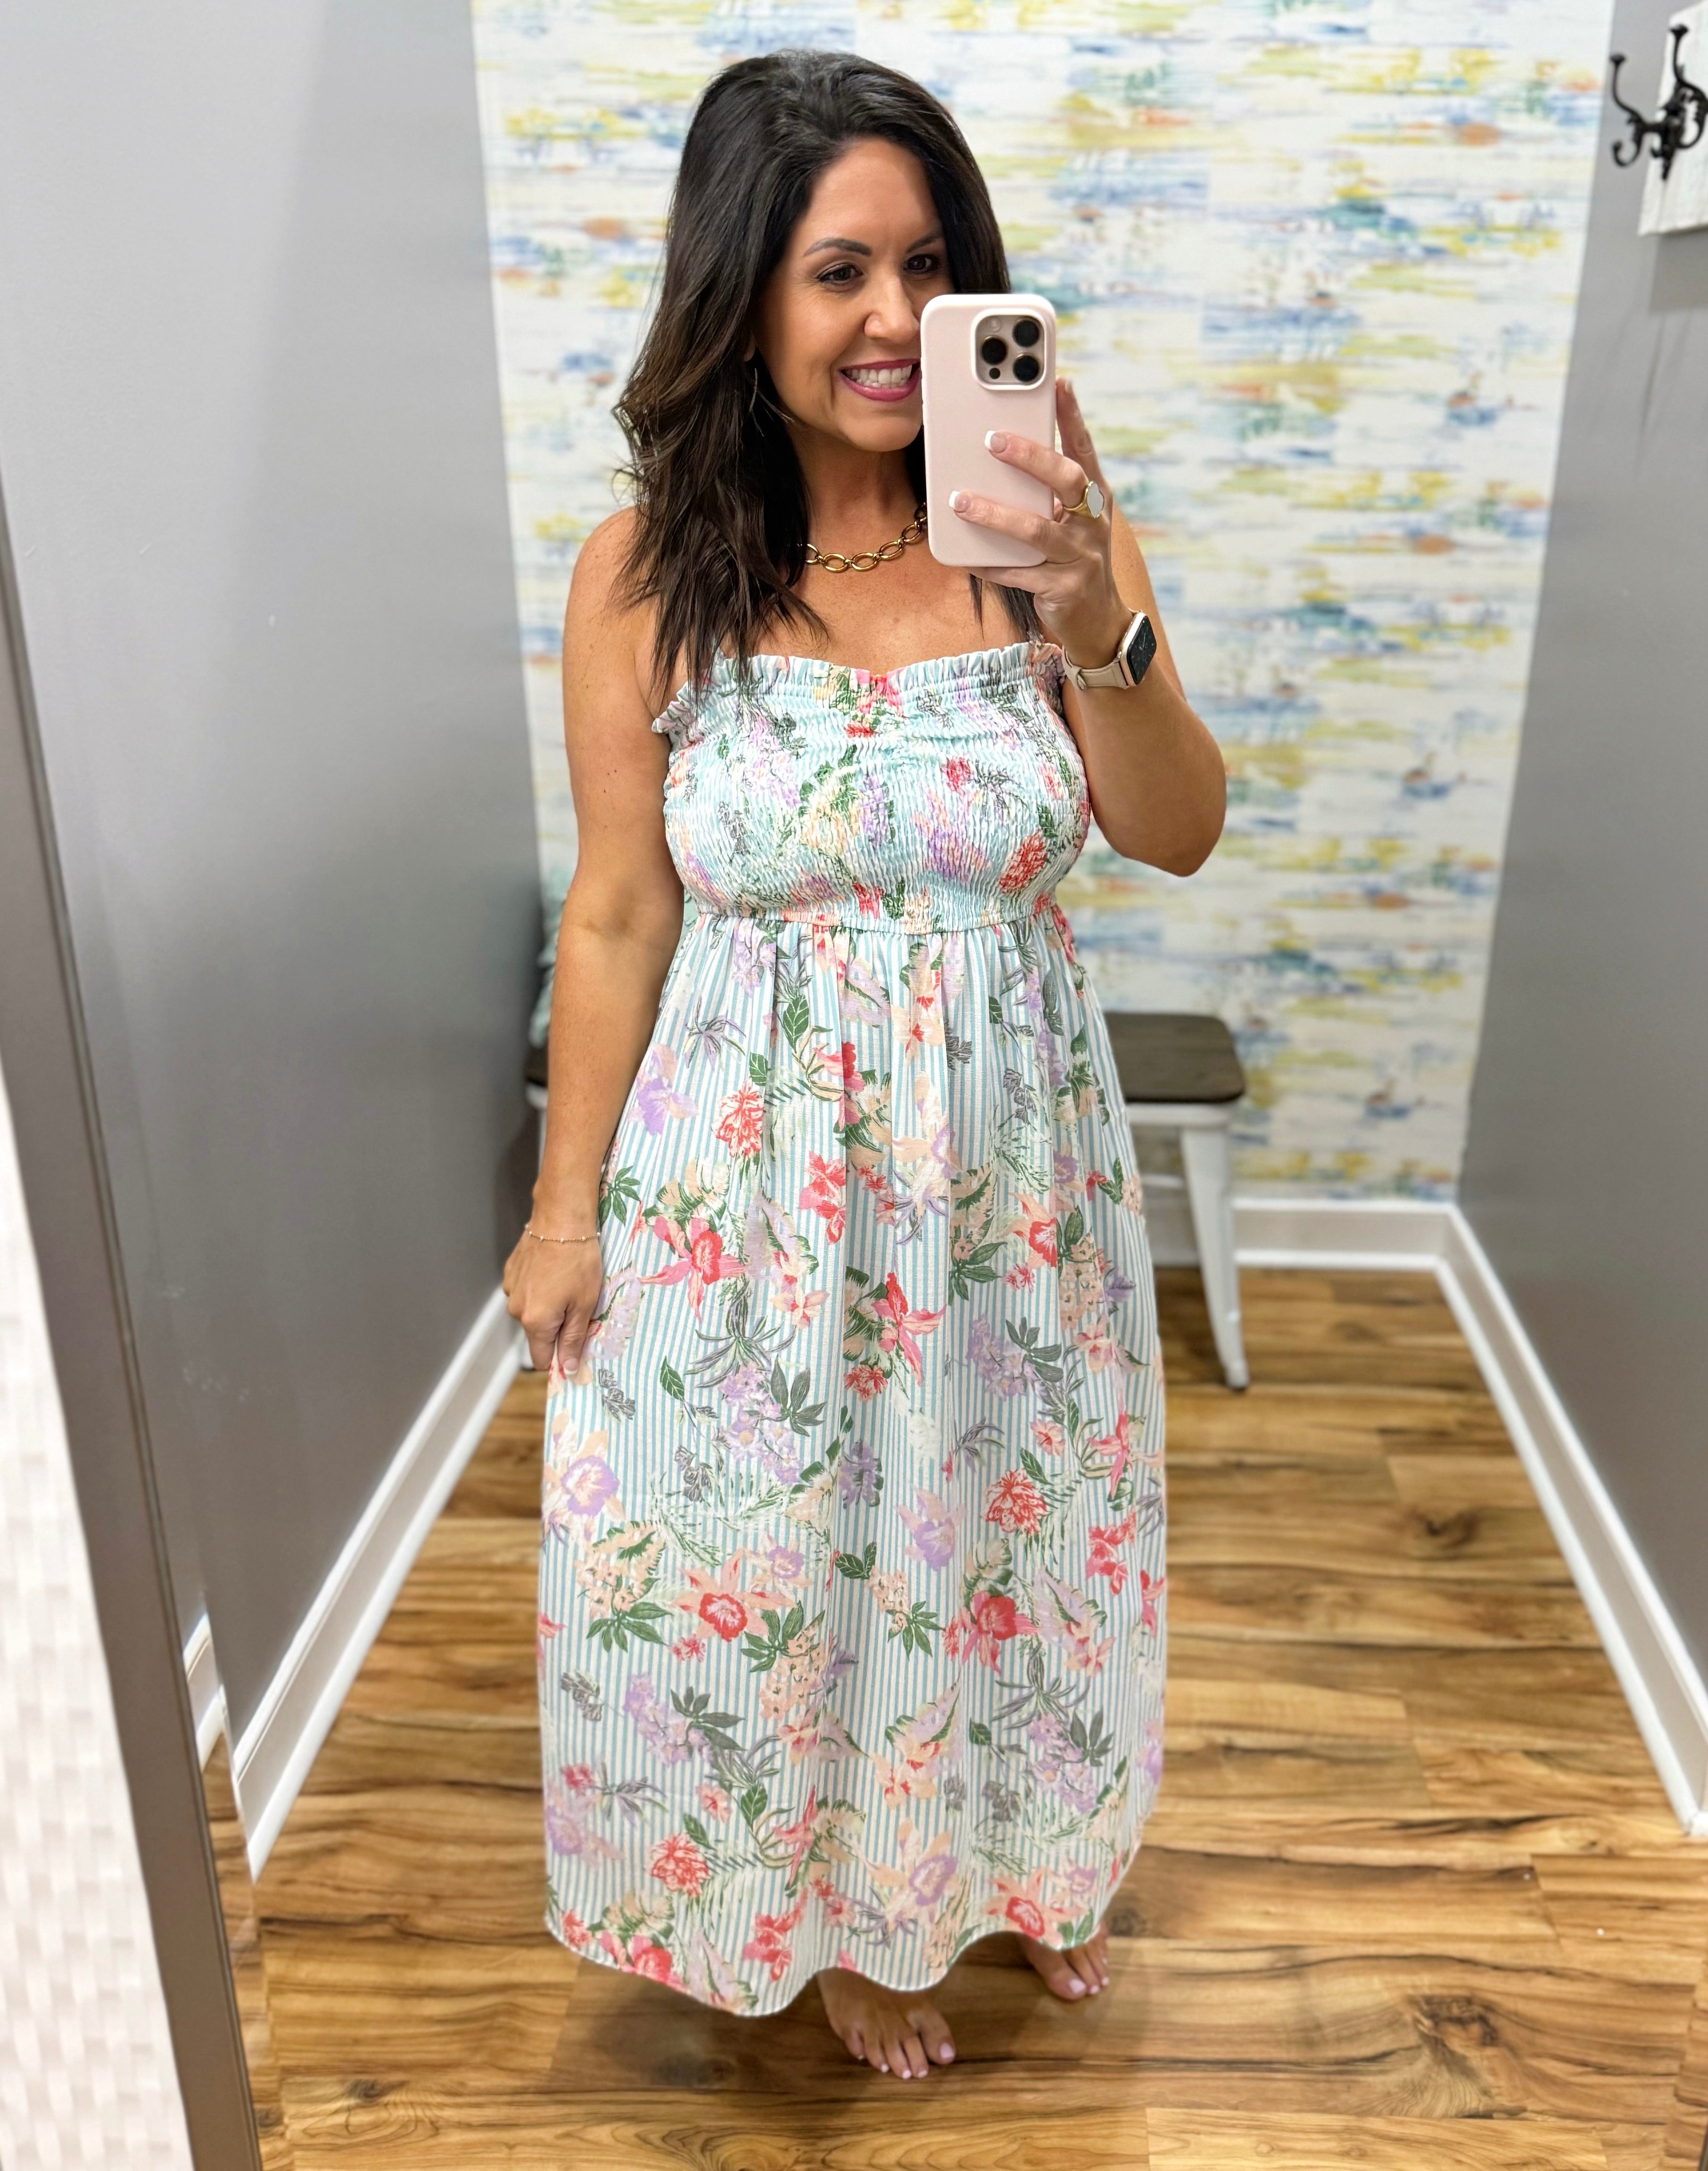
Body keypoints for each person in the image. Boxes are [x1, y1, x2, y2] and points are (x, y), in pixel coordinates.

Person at [502, 47, 1225, 2082]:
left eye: (929, 266)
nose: (895, 322)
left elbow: (1173, 828)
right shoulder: (643, 579)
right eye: (838, 271)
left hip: (1011, 1188)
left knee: (1012, 1539)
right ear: (743, 293)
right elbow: (624, 912)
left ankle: (1014, 1866)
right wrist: (563, 1217)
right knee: (778, 1564)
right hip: (753, 1190)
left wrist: (1100, 625)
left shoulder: (1054, 533)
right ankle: (838, 1920)